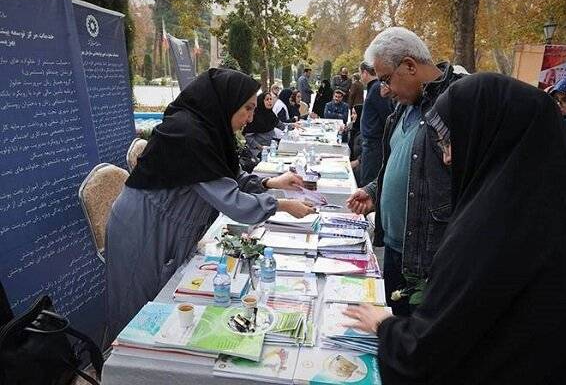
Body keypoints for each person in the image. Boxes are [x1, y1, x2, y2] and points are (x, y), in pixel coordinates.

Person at [344, 72, 566, 384]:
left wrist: (386, 326)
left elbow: (432, 349)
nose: (448, 157)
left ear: (491, 134)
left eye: (453, 140)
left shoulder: (494, 224)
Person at [105, 69, 316, 341]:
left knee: (161, 306)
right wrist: (282, 205)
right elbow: (234, 203)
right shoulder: (189, 136)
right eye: (247, 109)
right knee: (136, 315)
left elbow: (231, 177)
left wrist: (271, 183)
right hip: (142, 226)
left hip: (164, 222)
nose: (251, 118)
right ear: (227, 102)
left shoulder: (209, 130)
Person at [346, 27, 465, 315]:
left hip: (429, 262)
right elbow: (399, 162)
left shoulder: (457, 103)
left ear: (410, 66)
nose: (384, 90)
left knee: (414, 345)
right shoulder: (404, 107)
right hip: (397, 251)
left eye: (386, 79)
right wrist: (375, 191)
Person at [358, 61, 393, 186]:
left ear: (365, 73)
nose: (361, 78)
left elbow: (387, 116)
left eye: (360, 74)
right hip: (372, 143)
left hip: (374, 144)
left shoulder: (376, 88)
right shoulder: (375, 88)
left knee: (368, 182)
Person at [348, 104, 363, 179]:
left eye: (354, 113)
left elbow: (369, 151)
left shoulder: (365, 133)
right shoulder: (353, 126)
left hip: (359, 169)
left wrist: (357, 161)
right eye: (352, 113)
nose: (351, 116)